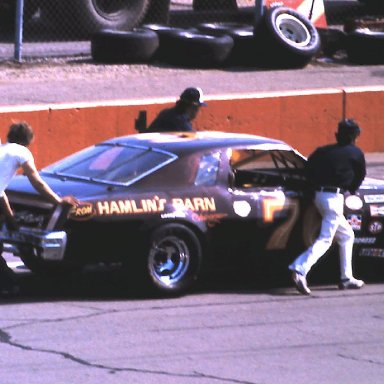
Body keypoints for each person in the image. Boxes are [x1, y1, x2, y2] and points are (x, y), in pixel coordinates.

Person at [289, 118, 366, 295]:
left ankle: (346, 278)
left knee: (347, 235)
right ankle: (300, 269)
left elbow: (307, 171)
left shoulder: (322, 152)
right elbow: (360, 176)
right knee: (325, 239)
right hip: (334, 198)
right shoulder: (355, 153)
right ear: (355, 136)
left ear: (337, 135)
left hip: (319, 197)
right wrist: (352, 189)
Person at [0, 121, 77, 297]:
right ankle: (10, 284)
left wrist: (10, 218)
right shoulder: (22, 152)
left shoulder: (2, 149)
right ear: (28, 140)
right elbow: (37, 181)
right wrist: (58, 201)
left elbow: (1, 192)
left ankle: (8, 283)